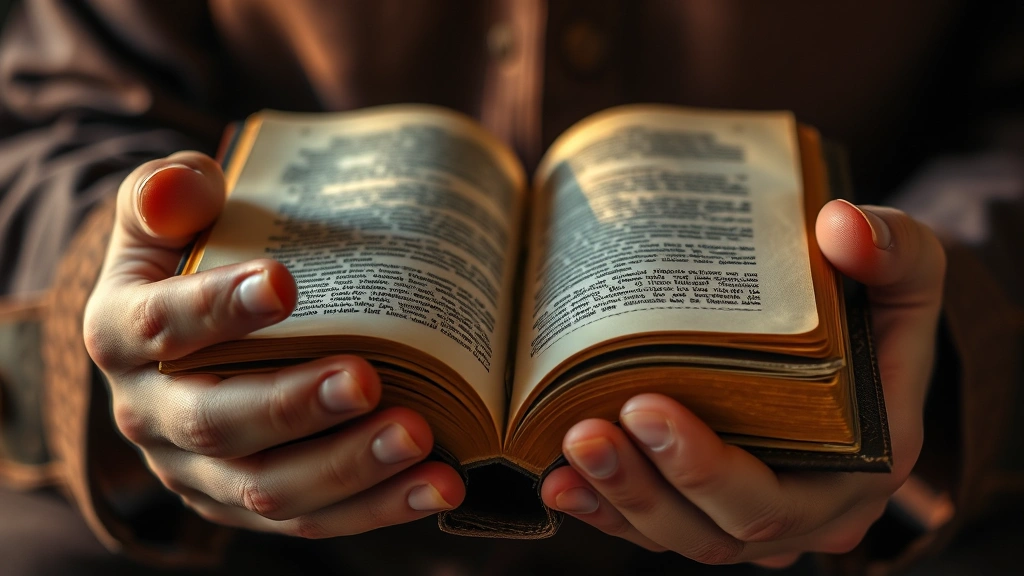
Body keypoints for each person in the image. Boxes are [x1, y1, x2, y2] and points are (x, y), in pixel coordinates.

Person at [0, 1, 1021, 574]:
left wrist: (914, 351)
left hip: (871, 516)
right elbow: (55, 117)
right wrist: (133, 299)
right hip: (232, 522)